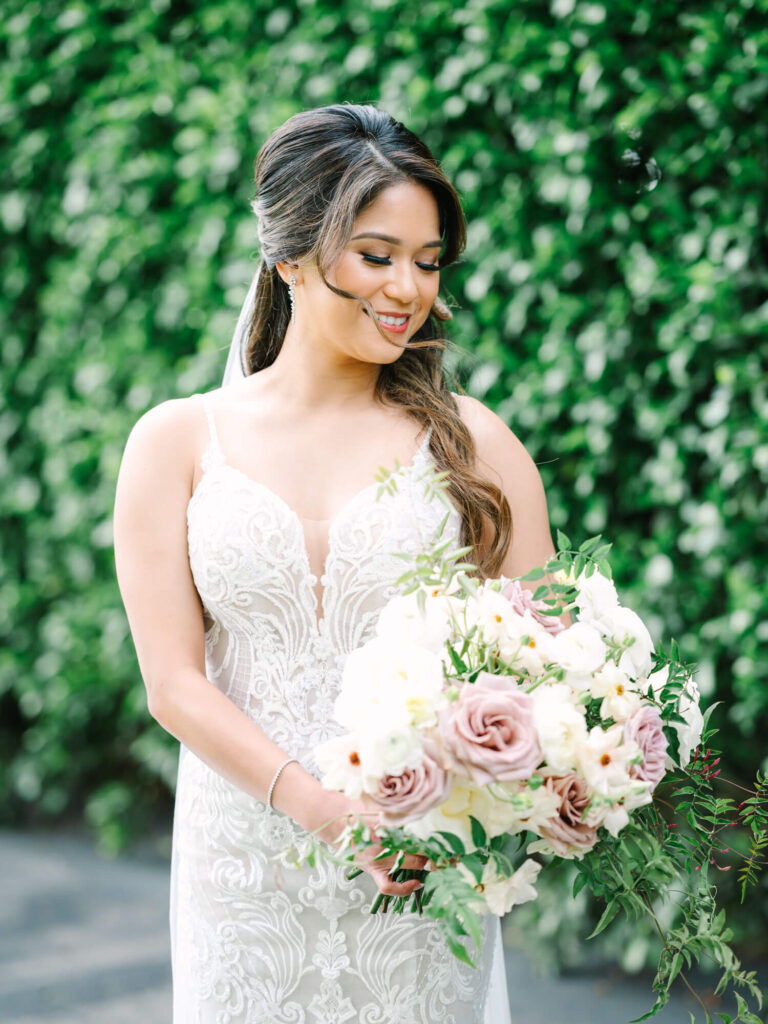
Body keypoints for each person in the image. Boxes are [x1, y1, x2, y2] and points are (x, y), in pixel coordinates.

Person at [114, 103, 558, 1024]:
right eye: (376, 255)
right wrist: (321, 810)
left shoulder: (475, 445)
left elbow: (551, 658)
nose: (408, 288)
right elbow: (173, 683)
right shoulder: (175, 442)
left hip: (414, 865)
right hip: (244, 865)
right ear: (289, 257)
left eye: (427, 262)